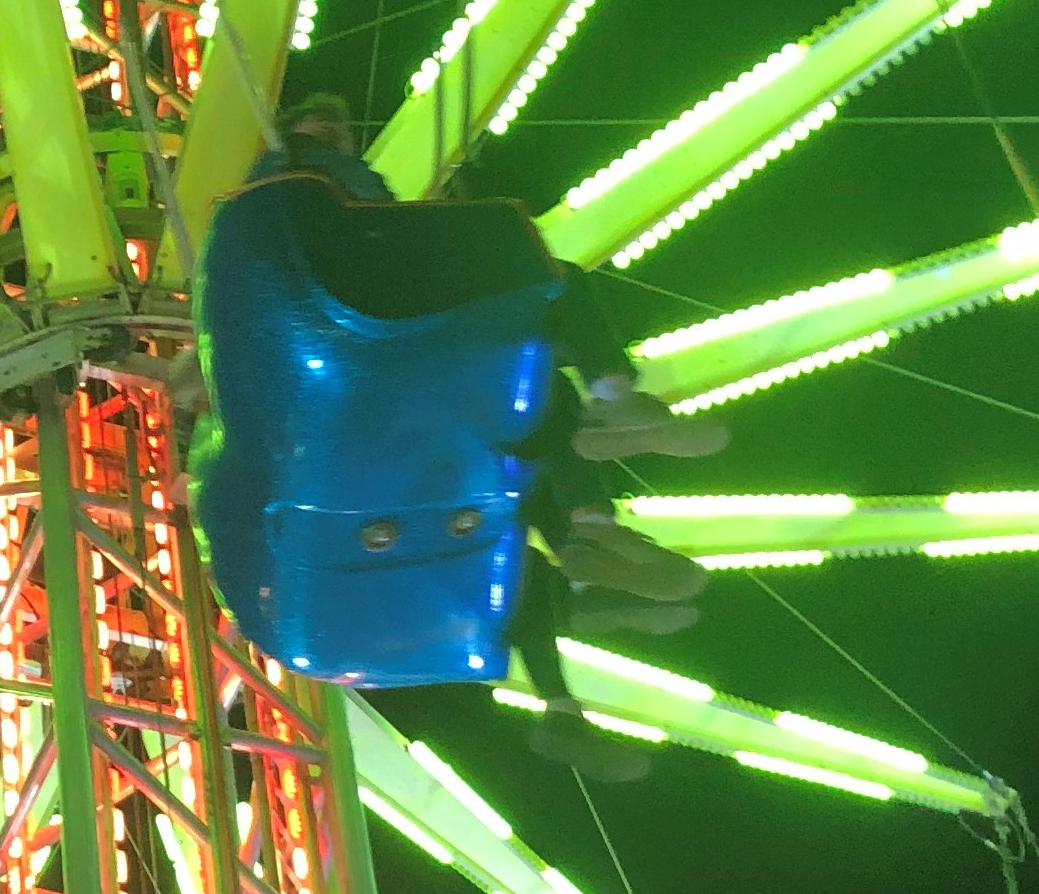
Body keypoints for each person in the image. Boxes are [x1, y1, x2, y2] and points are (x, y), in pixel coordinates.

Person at [230, 98, 729, 771]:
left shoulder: (299, 190)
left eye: (341, 127)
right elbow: (327, 250)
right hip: (359, 341)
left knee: (515, 457)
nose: (338, 133)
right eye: (325, 123)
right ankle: (603, 460)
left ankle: (583, 593)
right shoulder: (295, 178)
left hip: (384, 410)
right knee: (543, 347)